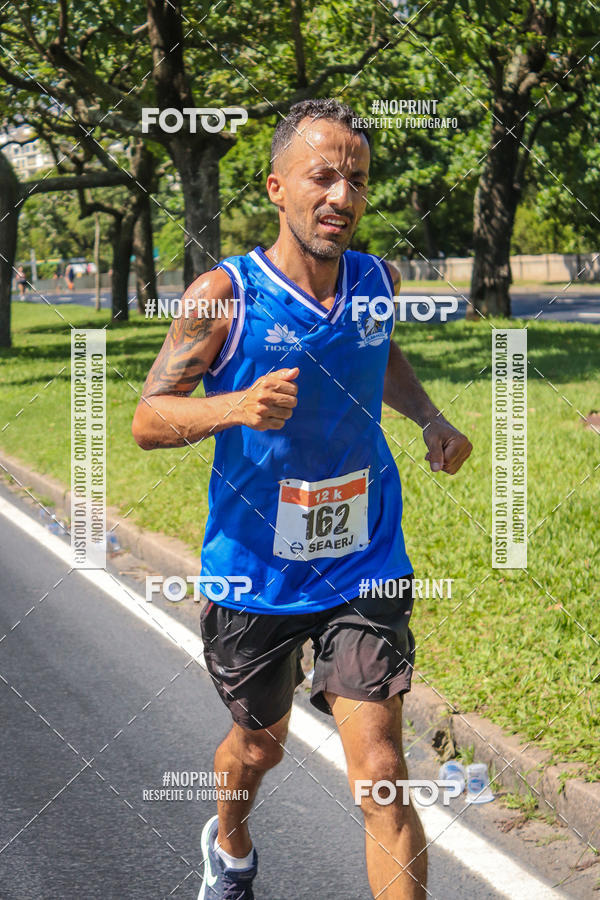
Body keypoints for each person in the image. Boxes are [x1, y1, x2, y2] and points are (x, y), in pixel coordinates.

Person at [132, 98, 472, 900]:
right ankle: (233, 841)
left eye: (357, 179)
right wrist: (234, 406)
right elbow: (149, 418)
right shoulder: (225, 294)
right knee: (259, 747)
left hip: (363, 555)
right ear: (278, 187)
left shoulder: (374, 280)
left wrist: (429, 417)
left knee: (382, 770)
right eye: (323, 176)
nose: (342, 196)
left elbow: (377, 353)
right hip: (256, 570)